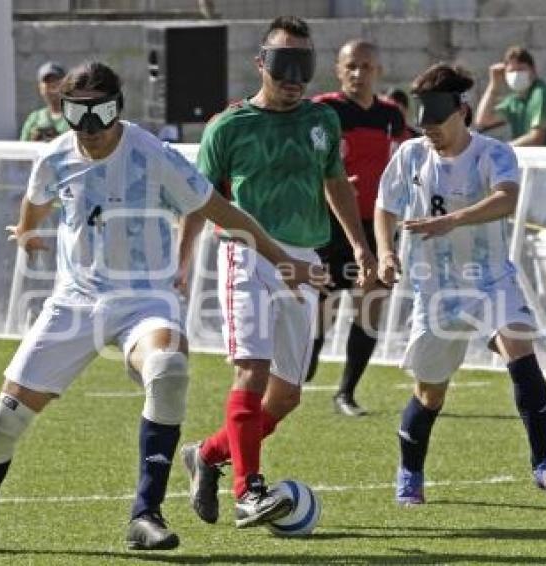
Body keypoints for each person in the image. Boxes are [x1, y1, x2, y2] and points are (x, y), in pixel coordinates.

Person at [0, 61, 324, 556]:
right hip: (75, 302)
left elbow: (223, 211)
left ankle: (146, 515)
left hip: (145, 301)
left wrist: (283, 261)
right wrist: (28, 232)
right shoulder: (54, 157)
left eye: (102, 113)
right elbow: (35, 201)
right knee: (2, 419)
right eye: (78, 114)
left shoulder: (153, 156)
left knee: (168, 369)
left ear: (119, 108)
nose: (90, 129)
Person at [175, 16, 375, 528]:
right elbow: (201, 199)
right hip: (247, 254)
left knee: (286, 396)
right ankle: (249, 490)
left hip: (306, 262)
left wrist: (358, 243)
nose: (293, 76)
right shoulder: (229, 125)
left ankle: (208, 455)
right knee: (253, 370)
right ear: (261, 63)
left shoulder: (322, 120)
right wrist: (183, 259)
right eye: (283, 63)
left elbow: (336, 184)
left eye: (302, 65)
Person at [374, 62, 546, 505]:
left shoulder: (494, 153)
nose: (431, 133)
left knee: (520, 345)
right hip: (434, 291)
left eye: (438, 123)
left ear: (462, 111)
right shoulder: (410, 155)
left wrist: (452, 221)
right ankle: (410, 472)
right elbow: (385, 204)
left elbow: (506, 199)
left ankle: (544, 462)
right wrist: (385, 252)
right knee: (430, 394)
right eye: (424, 125)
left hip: (489, 279)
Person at [308, 39, 407, 416]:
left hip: (376, 225)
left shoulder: (391, 116)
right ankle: (306, 363)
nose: (358, 73)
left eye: (366, 66)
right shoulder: (323, 110)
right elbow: (304, 161)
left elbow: (413, 152)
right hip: (330, 224)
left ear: (378, 71)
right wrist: (326, 186)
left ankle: (346, 392)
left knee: (370, 305)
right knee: (325, 307)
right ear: (338, 69)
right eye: (351, 66)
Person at [474, 45, 546, 146]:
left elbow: (537, 137)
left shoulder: (541, 93)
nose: (517, 74)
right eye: (512, 71)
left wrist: (505, 148)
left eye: (521, 69)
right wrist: (493, 86)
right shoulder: (514, 101)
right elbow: (482, 121)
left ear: (533, 70)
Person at [19, 61, 70, 142]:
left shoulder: (74, 117)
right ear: (40, 88)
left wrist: (58, 139)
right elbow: (23, 149)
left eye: (56, 83)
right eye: (48, 84)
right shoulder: (34, 118)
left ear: (66, 86)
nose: (52, 89)